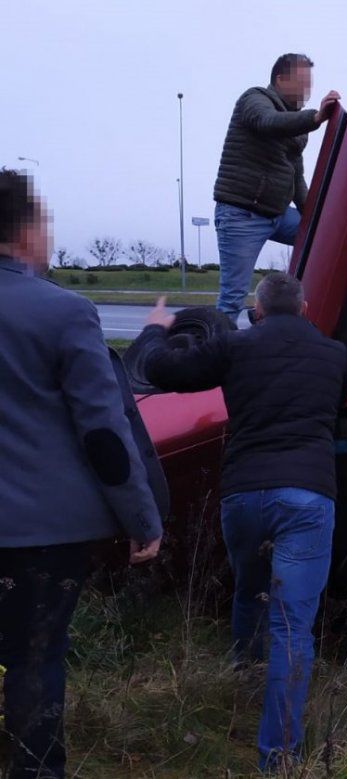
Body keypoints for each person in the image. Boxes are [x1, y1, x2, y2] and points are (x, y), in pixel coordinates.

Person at [133, 272, 347, 771]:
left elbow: (161, 370)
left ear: (256, 309)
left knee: (250, 589)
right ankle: (280, 757)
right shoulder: (335, 355)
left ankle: (245, 677)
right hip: (308, 495)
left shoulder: (235, 347)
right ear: (305, 306)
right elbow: (337, 406)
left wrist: (155, 327)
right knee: (293, 627)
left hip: (245, 496)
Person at [0, 169, 163, 778]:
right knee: (34, 661)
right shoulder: (65, 311)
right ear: (24, 232)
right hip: (41, 535)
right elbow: (103, 434)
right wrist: (142, 519)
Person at [213, 53, 341, 322]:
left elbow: (297, 177)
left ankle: (281, 313)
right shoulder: (255, 99)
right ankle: (218, 355)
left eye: (310, 84)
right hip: (242, 215)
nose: (307, 91)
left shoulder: (296, 124)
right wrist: (316, 117)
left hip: (278, 215)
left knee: (324, 237)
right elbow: (268, 123)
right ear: (281, 80)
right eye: (302, 83)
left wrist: (312, 219)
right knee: (232, 298)